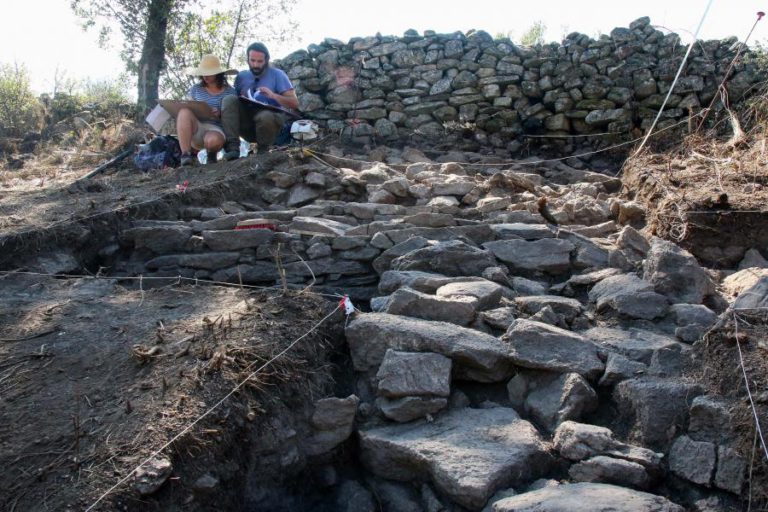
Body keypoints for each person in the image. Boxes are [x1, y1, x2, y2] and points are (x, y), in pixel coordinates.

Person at [221, 42, 299, 160]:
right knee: (228, 100)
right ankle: (232, 149)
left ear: (266, 60)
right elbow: (233, 105)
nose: (255, 65)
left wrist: (273, 96)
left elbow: (294, 103)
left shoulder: (278, 75)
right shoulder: (242, 76)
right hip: (248, 124)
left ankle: (263, 151)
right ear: (247, 59)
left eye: (259, 61)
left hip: (270, 125)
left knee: (265, 116)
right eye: (252, 61)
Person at [177, 54, 237, 166]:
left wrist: (220, 113)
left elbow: (232, 117)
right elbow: (189, 106)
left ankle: (211, 155)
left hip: (216, 128)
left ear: (218, 73)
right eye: (203, 73)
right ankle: (186, 155)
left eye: (209, 73)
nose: (205, 76)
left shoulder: (230, 91)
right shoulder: (196, 89)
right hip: (197, 126)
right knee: (184, 112)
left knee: (213, 140)